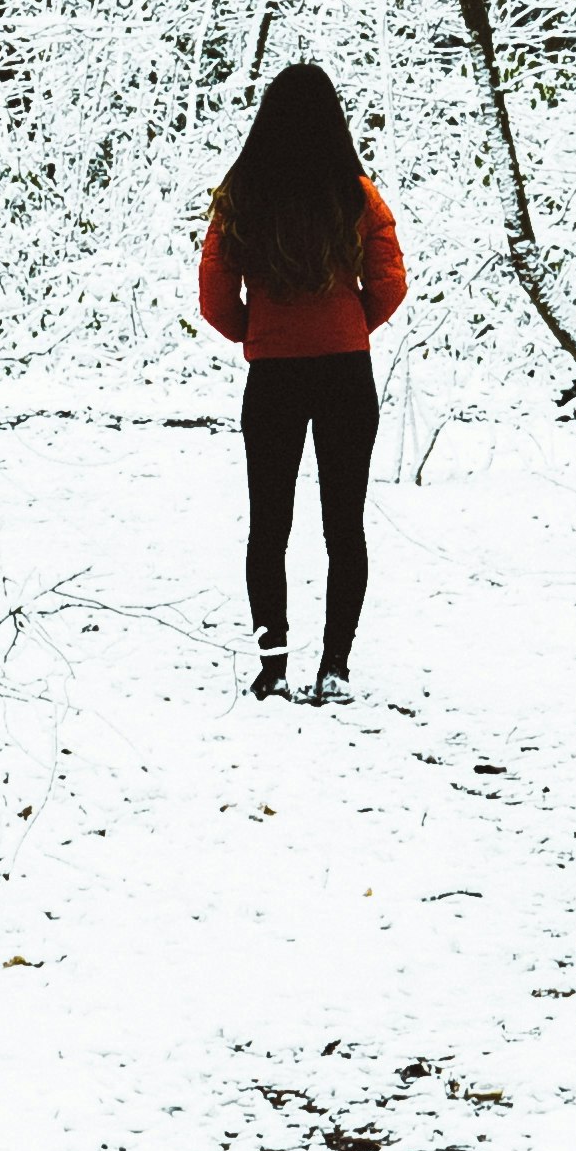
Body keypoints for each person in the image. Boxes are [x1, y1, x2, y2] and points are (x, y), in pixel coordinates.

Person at [194, 61, 406, 700]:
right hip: (346, 373)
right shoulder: (358, 195)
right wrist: (349, 326)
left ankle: (273, 666)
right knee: (345, 525)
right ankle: (336, 667)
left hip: (273, 378)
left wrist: (257, 333)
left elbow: (213, 297)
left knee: (269, 526)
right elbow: (391, 283)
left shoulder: (241, 196)